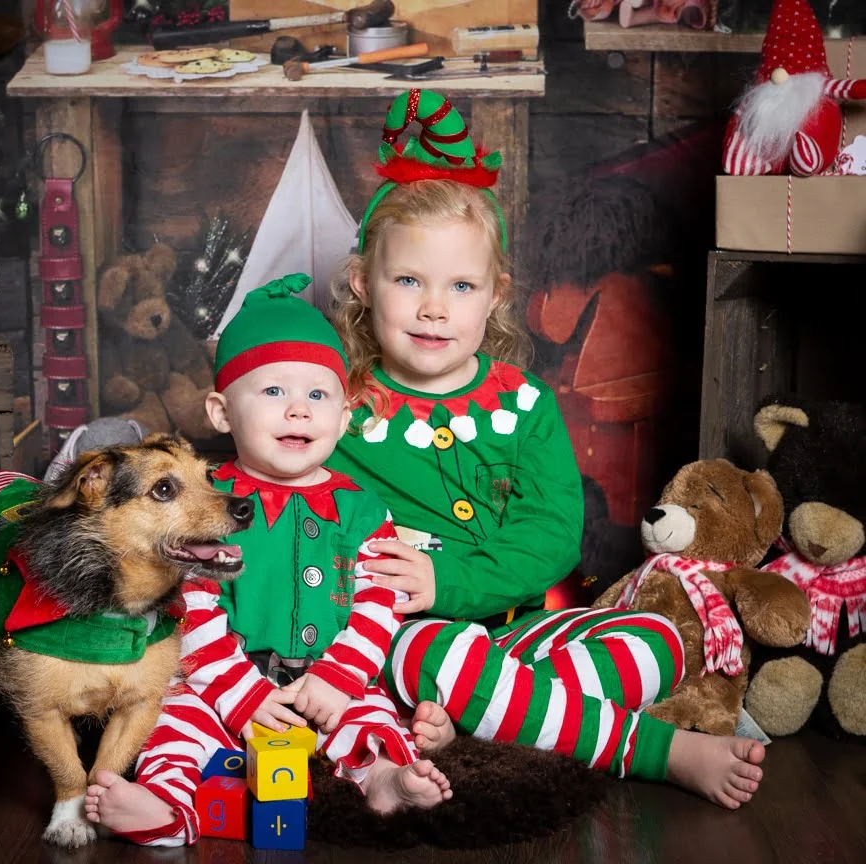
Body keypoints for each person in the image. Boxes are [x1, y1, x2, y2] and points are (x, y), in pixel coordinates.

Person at [326, 89, 765, 810]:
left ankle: (509, 712)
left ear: (494, 296)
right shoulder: (341, 408)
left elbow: (553, 535)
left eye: (460, 286)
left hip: (527, 631)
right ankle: (650, 749)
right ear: (362, 285)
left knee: (658, 638)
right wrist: (413, 593)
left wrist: (453, 582)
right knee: (444, 652)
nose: (434, 307)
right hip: (406, 644)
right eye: (408, 281)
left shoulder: (523, 403)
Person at [83, 274, 451, 846]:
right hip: (224, 679)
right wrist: (243, 694)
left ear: (345, 414)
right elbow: (191, 609)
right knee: (173, 720)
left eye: (317, 395)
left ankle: (382, 779)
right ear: (222, 412)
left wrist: (338, 678)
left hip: (330, 680)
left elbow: (380, 605)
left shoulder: (361, 510)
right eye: (274, 393)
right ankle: (167, 807)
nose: (299, 411)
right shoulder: (205, 504)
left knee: (370, 716)